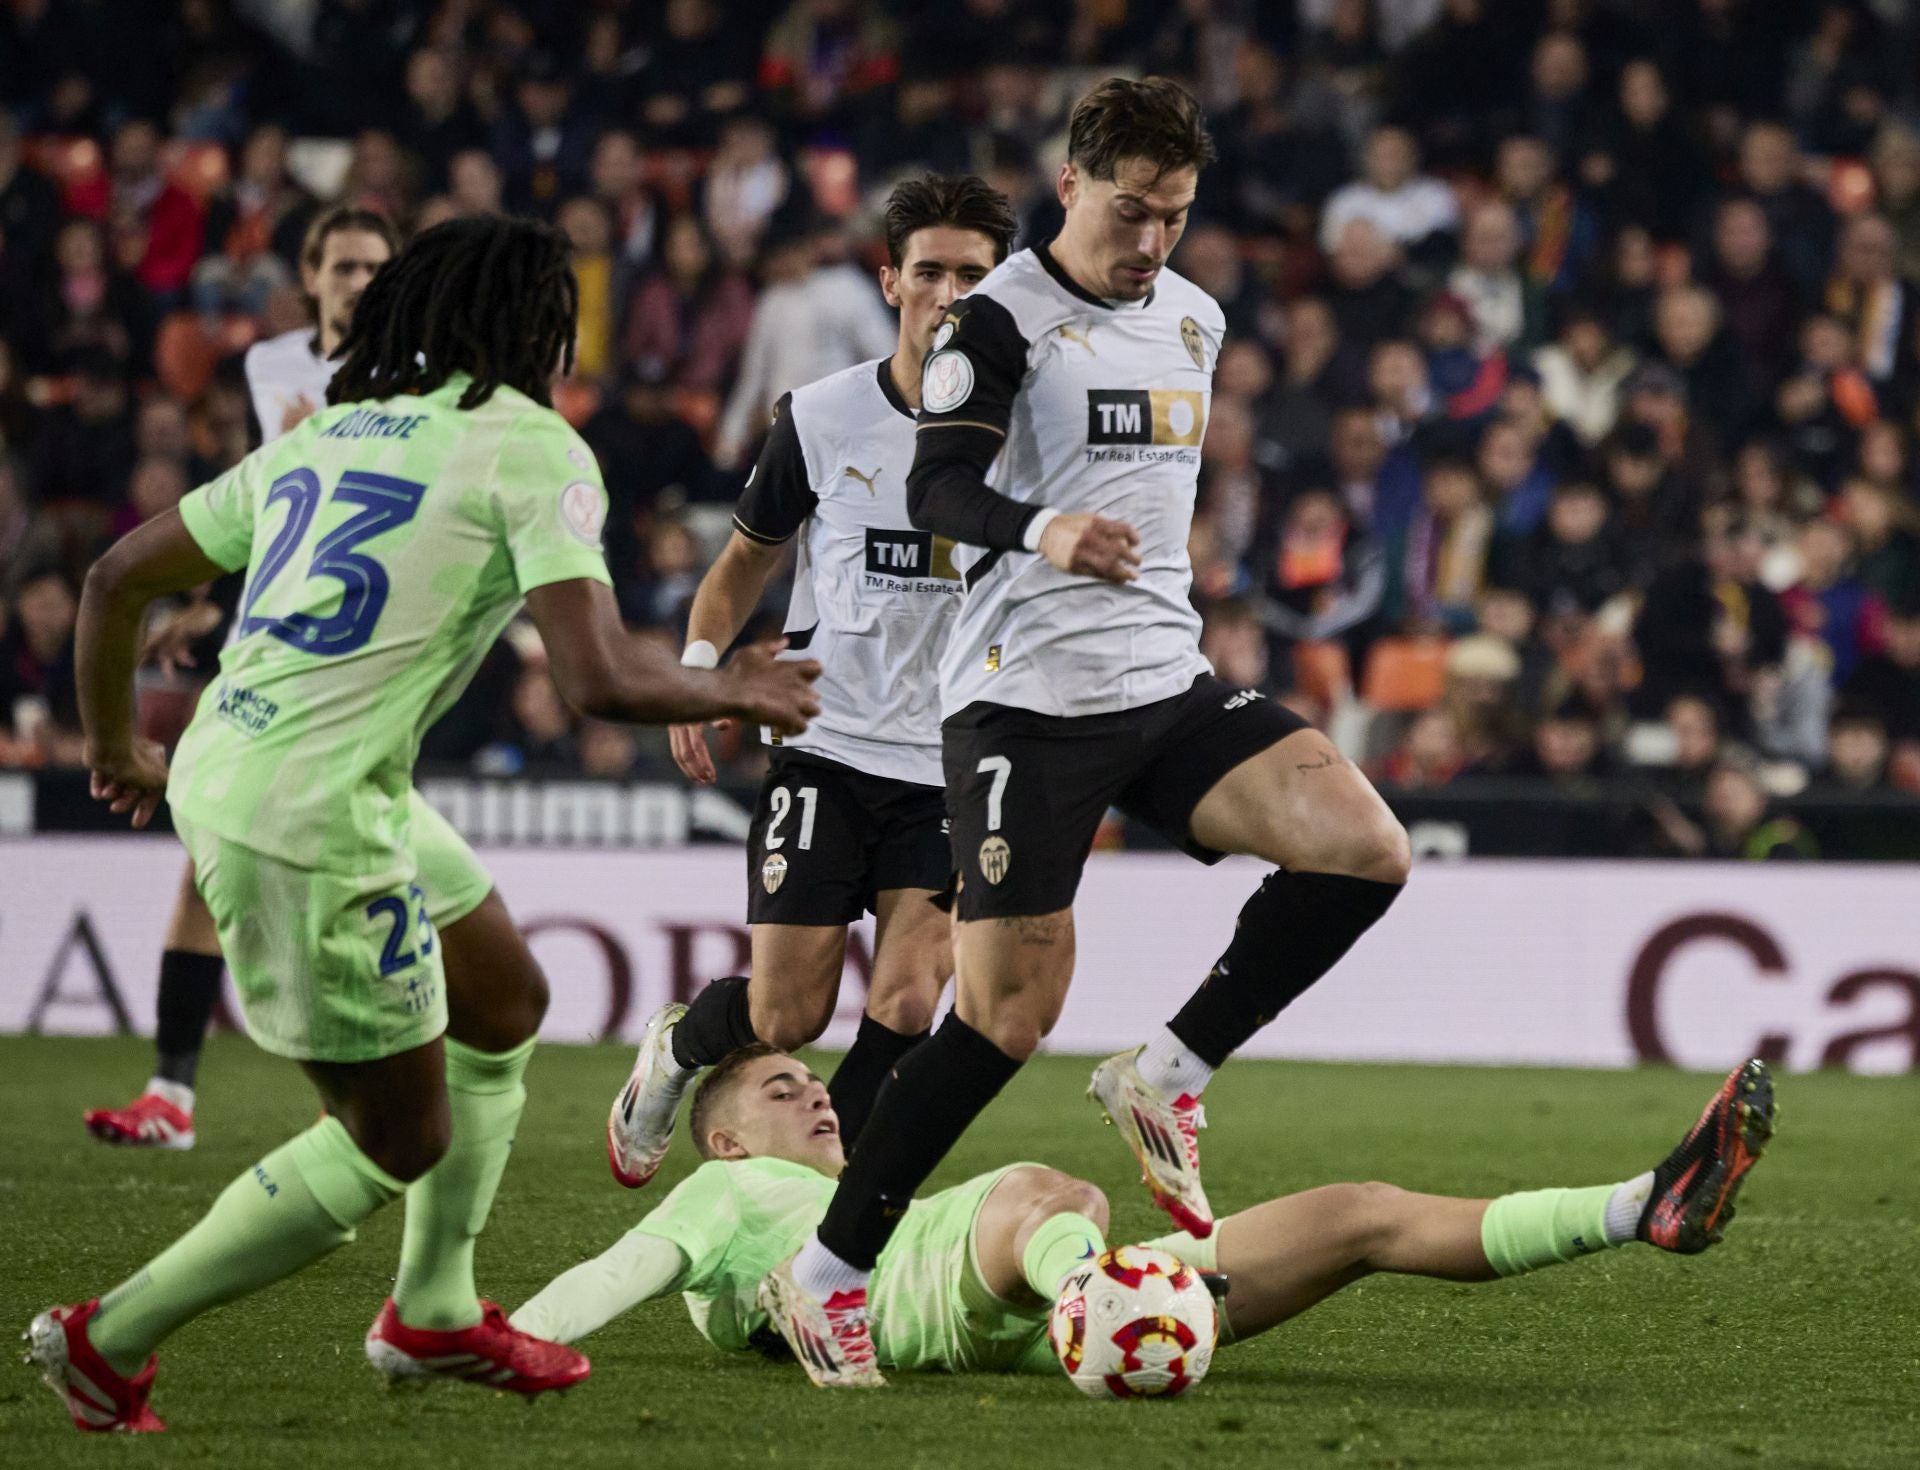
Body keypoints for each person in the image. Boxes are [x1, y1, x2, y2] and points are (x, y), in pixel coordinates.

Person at [27, 215, 823, 1433]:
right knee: (391, 1138)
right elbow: (597, 678)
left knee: (504, 999)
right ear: (533, 330)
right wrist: (739, 686)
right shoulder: (528, 445)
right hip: (310, 814)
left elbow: (112, 580)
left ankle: (436, 1308)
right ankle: (108, 1338)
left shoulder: (325, 434)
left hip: (282, 769)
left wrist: (116, 746)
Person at [756, 77, 1412, 1387]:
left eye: (1173, 213)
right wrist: (1041, 528)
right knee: (1002, 1018)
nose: (1151, 239)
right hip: (1021, 707)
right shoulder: (995, 325)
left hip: (1163, 683)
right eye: (1129, 209)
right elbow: (940, 479)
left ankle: (1166, 1069)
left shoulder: (1196, 318)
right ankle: (824, 1273)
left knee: (1364, 846)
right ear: (1070, 186)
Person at [516, 1046, 1775, 1382]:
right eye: (786, 1091)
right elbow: (628, 1265)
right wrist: (515, 1340)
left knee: (1362, 1215)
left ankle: (1637, 1207)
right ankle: (1101, 1303)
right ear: (726, 1134)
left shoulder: (804, 1200)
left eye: (816, 1081)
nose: (820, 1099)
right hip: (957, 1273)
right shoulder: (734, 1186)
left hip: (1017, 1296)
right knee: (1040, 1189)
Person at [607, 174, 1018, 1187]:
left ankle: (830, 1218)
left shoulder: (1030, 433)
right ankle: (681, 1045)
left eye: (974, 273)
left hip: (951, 761)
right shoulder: (826, 417)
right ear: (890, 281)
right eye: (930, 271)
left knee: (912, 1001)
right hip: (826, 747)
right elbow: (742, 563)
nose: (950, 291)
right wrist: (699, 676)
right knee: (787, 1014)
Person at [83, 207, 401, 1153]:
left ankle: (345, 1110)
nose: (357, 281)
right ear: (310, 276)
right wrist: (211, 601)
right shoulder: (271, 367)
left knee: (341, 878)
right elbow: (270, 498)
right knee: (209, 855)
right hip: (272, 630)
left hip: (369, 648)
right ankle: (172, 1094)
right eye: (342, 265)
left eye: (374, 267)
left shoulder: (416, 376)